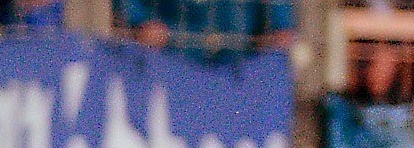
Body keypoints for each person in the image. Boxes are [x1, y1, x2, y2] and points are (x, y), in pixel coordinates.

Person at [117, 0, 293, 55]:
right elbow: (130, 8)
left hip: (239, 60)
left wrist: (280, 26)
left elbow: (281, 28)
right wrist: (140, 22)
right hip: (170, 53)